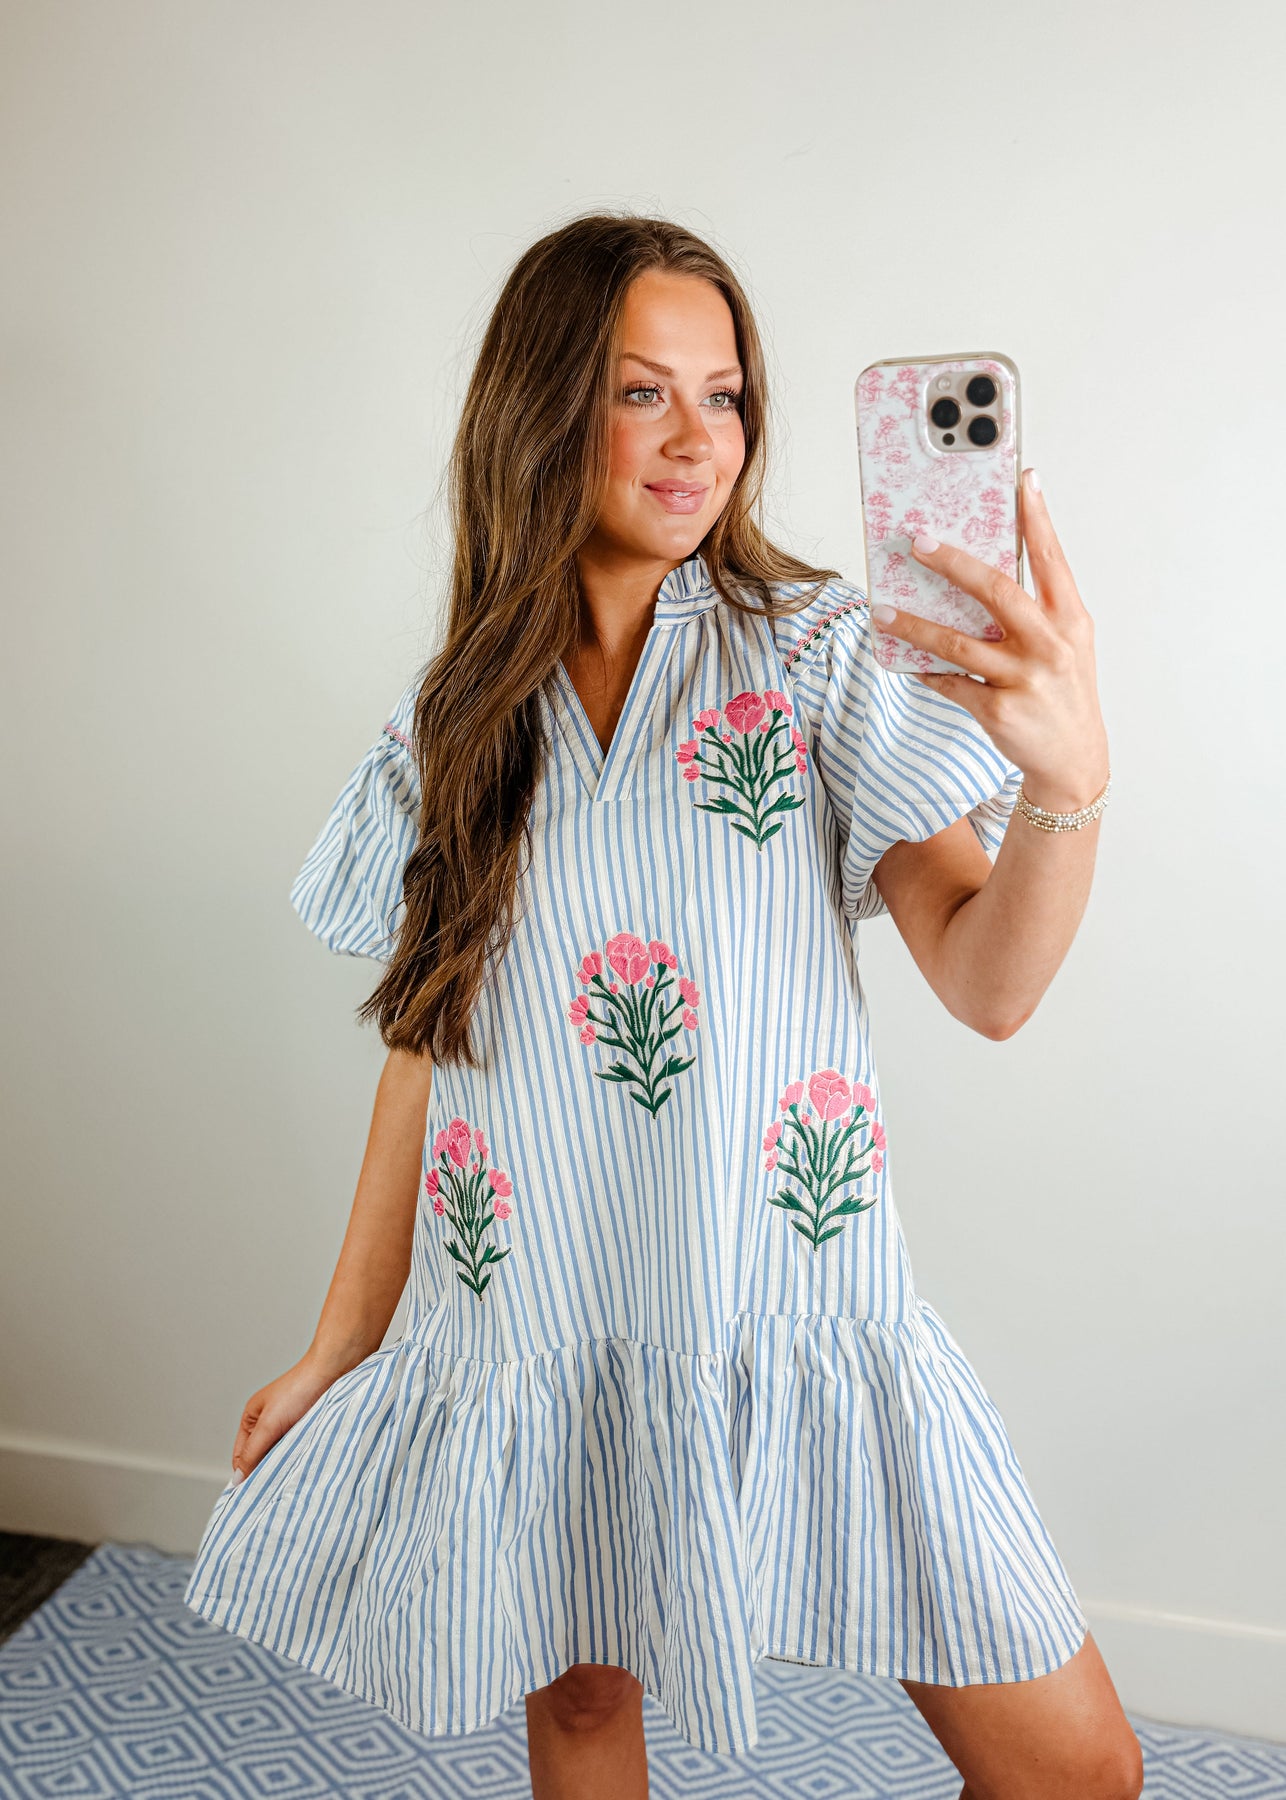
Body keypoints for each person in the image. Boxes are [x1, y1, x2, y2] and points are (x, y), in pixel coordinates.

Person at [183, 212, 1142, 1800]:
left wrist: (1069, 785)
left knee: (1071, 1770)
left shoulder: (822, 659)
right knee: (578, 1706)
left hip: (799, 1313)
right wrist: (340, 1343)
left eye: (725, 394)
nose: (699, 439)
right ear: (543, 408)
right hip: (538, 1325)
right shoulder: (454, 721)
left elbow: (989, 986)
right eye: (642, 392)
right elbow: (429, 1048)